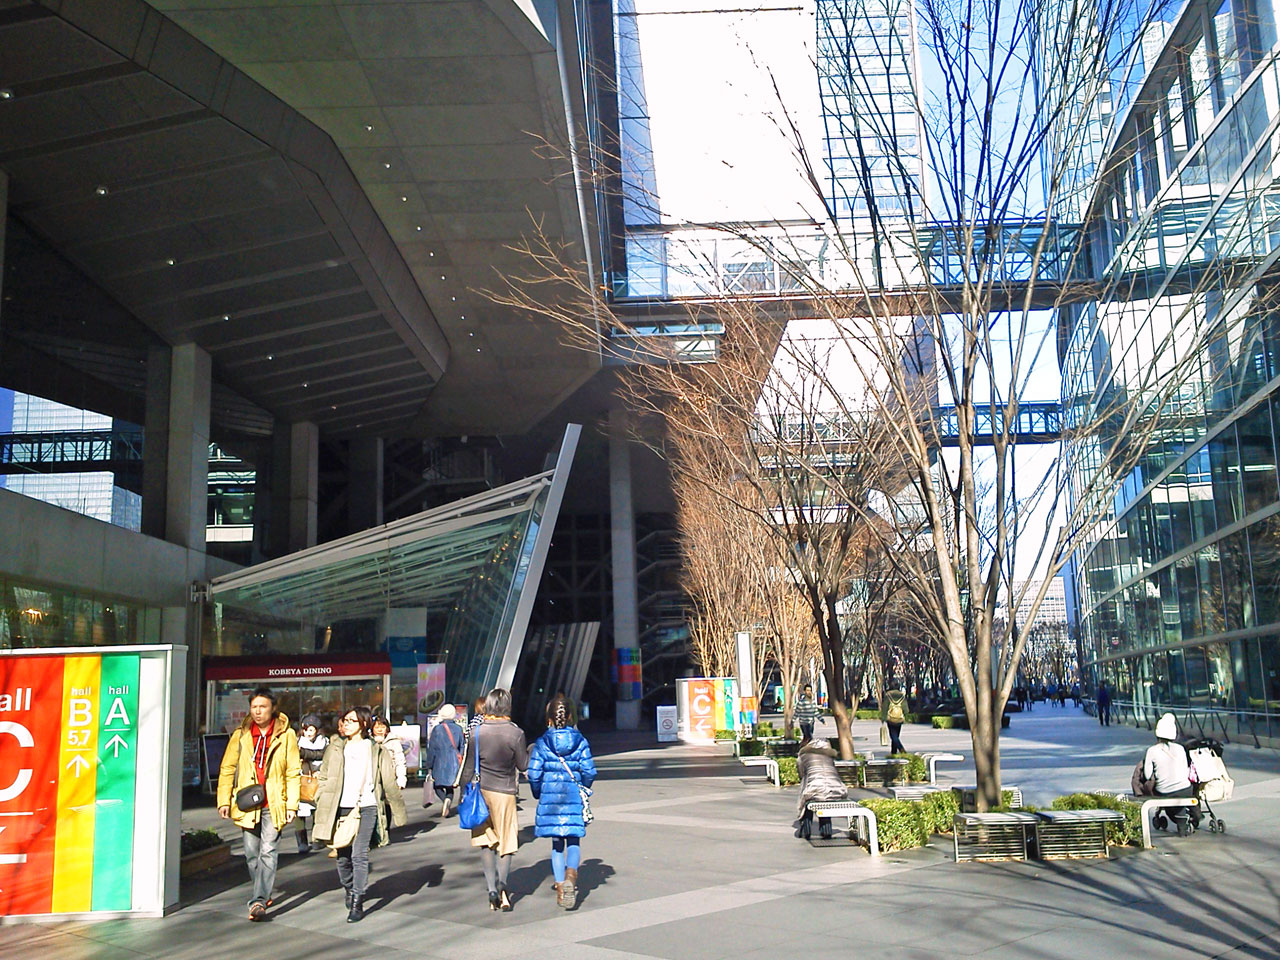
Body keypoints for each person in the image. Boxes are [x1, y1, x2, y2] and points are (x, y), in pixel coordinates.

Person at [312, 705, 407, 923]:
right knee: (342, 856)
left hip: (368, 806)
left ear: (363, 724)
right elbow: (324, 776)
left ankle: (357, 899)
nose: (346, 724)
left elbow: (388, 782)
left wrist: (398, 812)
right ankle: (349, 887)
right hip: (341, 807)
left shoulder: (376, 750)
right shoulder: (335, 748)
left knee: (359, 854)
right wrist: (321, 796)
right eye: (345, 720)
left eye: (351, 721)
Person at [216, 687, 300, 921]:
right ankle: (261, 891)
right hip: (247, 802)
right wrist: (224, 800)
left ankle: (259, 900)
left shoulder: (286, 735)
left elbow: (293, 771)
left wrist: (292, 805)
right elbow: (227, 768)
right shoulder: (241, 735)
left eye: (263, 707)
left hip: (274, 802)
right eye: (254, 707)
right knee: (251, 853)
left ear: (273, 708)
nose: (258, 711)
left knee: (268, 850)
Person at [459, 688, 529, 911]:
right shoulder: (515, 733)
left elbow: (468, 767)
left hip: (481, 792)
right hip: (505, 793)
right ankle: (503, 887)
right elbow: (523, 765)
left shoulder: (477, 732)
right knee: (506, 842)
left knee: (486, 842)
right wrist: (531, 750)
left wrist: (462, 795)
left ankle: (491, 889)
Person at [527, 693, 597, 909]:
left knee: (557, 844)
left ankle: (559, 886)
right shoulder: (580, 741)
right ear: (569, 717)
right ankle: (571, 876)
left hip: (551, 798)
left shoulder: (542, 743)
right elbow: (589, 770)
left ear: (549, 718)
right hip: (572, 795)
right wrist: (584, 787)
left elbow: (534, 774)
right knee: (573, 840)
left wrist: (538, 792)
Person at [1143, 712, 1201, 835]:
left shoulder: (1152, 751)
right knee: (1186, 794)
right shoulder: (1180, 748)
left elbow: (1147, 775)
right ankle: (1188, 818)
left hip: (1165, 791)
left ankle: (1180, 820)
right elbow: (1185, 768)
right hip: (1185, 789)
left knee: (1169, 797)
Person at [793, 739, 847, 840]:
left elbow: (802, 774)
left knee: (807, 799)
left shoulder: (803, 756)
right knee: (825, 798)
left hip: (815, 788)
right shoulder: (829, 756)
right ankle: (826, 831)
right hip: (837, 790)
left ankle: (806, 829)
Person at [296, 714, 328, 854]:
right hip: (302, 779)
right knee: (300, 811)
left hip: (318, 779)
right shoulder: (297, 742)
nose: (307, 733)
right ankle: (302, 842)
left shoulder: (324, 742)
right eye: (305, 729)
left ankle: (317, 838)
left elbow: (322, 756)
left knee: (317, 810)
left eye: (311, 729)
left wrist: (304, 754)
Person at [371, 714, 408, 836]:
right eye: (377, 727)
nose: (380, 729)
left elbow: (400, 761)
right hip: (372, 779)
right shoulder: (368, 741)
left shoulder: (393, 742)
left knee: (387, 803)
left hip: (389, 778)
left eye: (382, 726)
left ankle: (385, 830)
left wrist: (401, 778)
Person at [426, 703, 465, 817]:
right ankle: (448, 799)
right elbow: (462, 746)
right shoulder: (458, 729)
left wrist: (429, 765)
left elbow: (432, 748)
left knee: (437, 786)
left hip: (439, 762)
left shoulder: (437, 729)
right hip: (454, 761)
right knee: (450, 786)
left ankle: (444, 800)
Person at [882, 683, 908, 754]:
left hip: (890, 719)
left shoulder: (888, 695)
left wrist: (883, 718)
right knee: (896, 735)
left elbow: (885, 707)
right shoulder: (902, 696)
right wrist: (905, 715)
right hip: (899, 718)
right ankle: (893, 752)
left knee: (893, 736)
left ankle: (901, 748)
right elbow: (906, 709)